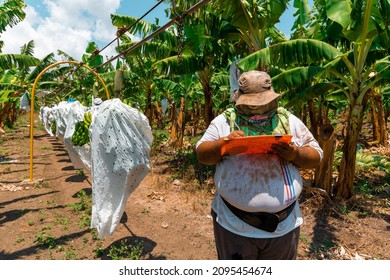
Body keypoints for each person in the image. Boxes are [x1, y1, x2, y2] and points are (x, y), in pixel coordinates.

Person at [196, 70, 323, 260]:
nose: (257, 109)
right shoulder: (225, 121)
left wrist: (295, 153)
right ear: (239, 98)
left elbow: (316, 155)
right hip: (235, 225)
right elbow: (202, 154)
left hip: (283, 226)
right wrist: (224, 145)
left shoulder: (287, 120)